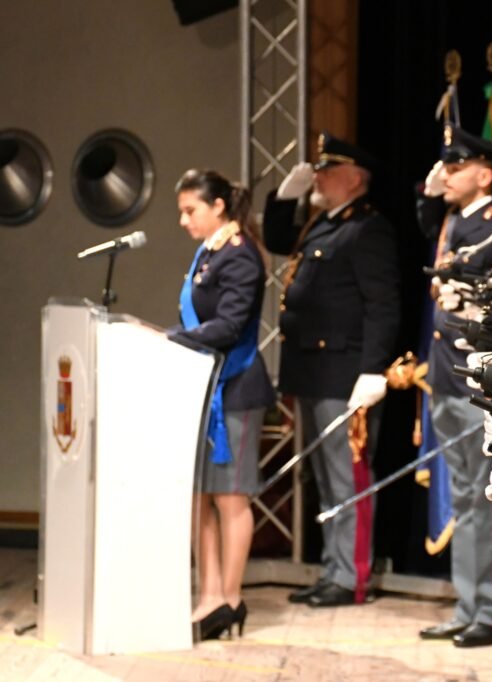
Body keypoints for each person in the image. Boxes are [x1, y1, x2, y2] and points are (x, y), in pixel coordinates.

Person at [262, 132, 401, 608]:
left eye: (327, 169)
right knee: (325, 479)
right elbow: (279, 239)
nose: (317, 176)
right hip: (312, 372)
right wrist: (284, 198)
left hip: (345, 375)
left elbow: (383, 306)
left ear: (355, 179)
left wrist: (373, 369)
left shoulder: (367, 229)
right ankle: (333, 570)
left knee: (349, 480)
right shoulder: (325, 224)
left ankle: (351, 578)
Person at [419, 126, 492, 648]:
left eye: (456, 168)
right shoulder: (453, 222)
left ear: (485, 174)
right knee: (463, 499)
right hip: (443, 376)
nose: (447, 176)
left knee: (486, 501)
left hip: (475, 380)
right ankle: (467, 604)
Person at [171, 168, 276, 640]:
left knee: (230, 498)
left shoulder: (240, 256)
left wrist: (173, 338)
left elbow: (230, 326)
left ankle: (231, 599)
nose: (184, 220)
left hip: (235, 389)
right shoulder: (207, 253)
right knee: (200, 499)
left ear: (218, 207)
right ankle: (207, 593)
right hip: (201, 387)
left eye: (190, 210)